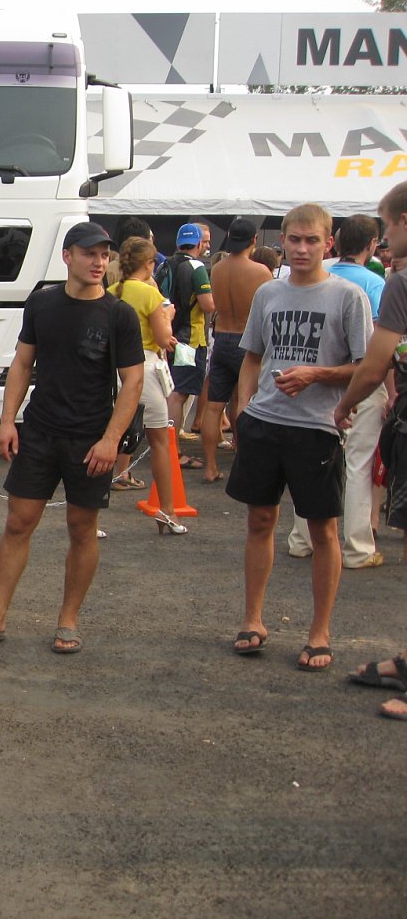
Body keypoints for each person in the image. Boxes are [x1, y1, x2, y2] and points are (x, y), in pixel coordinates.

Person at [0, 222, 143, 653]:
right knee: (18, 521)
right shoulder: (42, 303)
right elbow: (22, 364)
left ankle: (68, 621)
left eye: (104, 255)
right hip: (40, 430)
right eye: (90, 253)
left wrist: (110, 440)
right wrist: (7, 421)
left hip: (90, 438)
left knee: (82, 528)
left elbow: (132, 382)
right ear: (67, 256)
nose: (99, 262)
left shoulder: (118, 314)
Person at [226, 203, 372, 670]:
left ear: (329, 243)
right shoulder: (268, 292)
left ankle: (319, 632)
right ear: (283, 241)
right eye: (295, 239)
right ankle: (252, 619)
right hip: (265, 422)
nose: (303, 248)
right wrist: (242, 407)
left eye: (312, 240)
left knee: (322, 529)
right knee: (259, 520)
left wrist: (316, 374)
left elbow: (365, 366)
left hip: (317, 428)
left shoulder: (348, 296)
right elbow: (252, 356)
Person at [287, 213, 387, 568]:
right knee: (357, 462)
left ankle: (301, 539)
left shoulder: (320, 273)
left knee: (306, 462)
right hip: (354, 380)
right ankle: (357, 547)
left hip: (307, 379)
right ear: (371, 244)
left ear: (335, 242)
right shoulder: (373, 283)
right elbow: (379, 346)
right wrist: (389, 391)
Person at [335, 182, 407, 571]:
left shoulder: (396, 282)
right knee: (359, 464)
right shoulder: (380, 281)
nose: (387, 239)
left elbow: (380, 357)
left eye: (389, 226)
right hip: (369, 383)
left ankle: (313, 539)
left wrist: (346, 403)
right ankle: (357, 544)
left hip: (342, 381)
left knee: (341, 463)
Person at [107, 237, 185, 531]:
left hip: (112, 371)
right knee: (159, 442)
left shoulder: (111, 292)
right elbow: (164, 339)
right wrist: (168, 315)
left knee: (105, 439)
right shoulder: (150, 294)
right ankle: (167, 510)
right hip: (145, 368)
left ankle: (92, 516)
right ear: (149, 264)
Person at [200, 218, 273, 482]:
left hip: (222, 338)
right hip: (247, 342)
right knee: (245, 402)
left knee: (214, 406)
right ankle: (245, 462)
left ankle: (210, 467)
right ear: (254, 240)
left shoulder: (217, 268)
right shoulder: (261, 272)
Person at [161, 223, 215, 462]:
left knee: (173, 390)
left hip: (168, 334)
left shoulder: (165, 264)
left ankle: (168, 445)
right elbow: (207, 305)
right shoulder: (196, 267)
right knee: (179, 393)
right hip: (190, 339)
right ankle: (172, 449)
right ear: (198, 244)